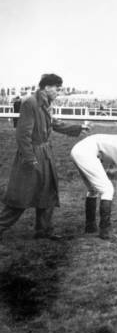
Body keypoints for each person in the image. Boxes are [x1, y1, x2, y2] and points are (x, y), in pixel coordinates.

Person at [0, 74, 89, 241]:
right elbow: (22, 135)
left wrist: (78, 128)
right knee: (20, 197)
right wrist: (30, 159)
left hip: (45, 154)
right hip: (32, 156)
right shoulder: (30, 103)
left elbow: (54, 124)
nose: (59, 92)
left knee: (48, 192)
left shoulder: (46, 104)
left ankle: (44, 231)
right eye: (57, 88)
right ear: (47, 87)